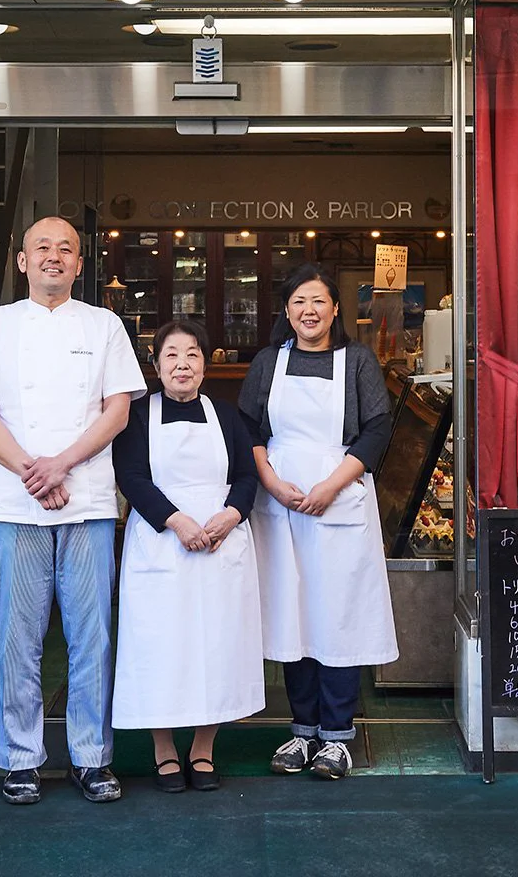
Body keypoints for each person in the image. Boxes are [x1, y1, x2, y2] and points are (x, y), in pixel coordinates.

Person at [0, 216, 146, 806]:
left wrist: (59, 464)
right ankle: (20, 758)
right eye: (43, 248)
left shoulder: (105, 324)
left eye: (66, 249)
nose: (54, 257)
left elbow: (116, 413)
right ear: (22, 261)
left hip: (86, 498)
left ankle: (92, 757)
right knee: (19, 635)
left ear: (81, 264)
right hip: (17, 502)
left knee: (93, 635)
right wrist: (32, 471)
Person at [239, 263, 398, 780]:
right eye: (299, 302)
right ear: (287, 311)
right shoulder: (268, 362)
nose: (309, 311)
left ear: (335, 309)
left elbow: (376, 430)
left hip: (340, 498)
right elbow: (249, 428)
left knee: (339, 613)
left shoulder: (358, 362)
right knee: (294, 612)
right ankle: (302, 730)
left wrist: (331, 485)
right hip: (280, 501)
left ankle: (337, 736)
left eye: (319, 302)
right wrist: (269, 480)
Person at [111, 319, 264, 792]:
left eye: (193, 354)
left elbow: (246, 475)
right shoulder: (137, 416)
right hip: (161, 542)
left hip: (221, 543)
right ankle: (162, 749)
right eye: (172, 354)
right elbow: (131, 476)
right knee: (160, 646)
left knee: (216, 645)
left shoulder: (227, 414)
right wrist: (176, 520)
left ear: (205, 364)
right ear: (156, 365)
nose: (183, 364)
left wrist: (231, 515)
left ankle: (203, 748)